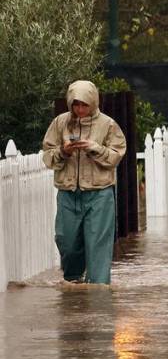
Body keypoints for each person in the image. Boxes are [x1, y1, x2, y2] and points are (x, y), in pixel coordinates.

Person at [41, 80, 127, 284]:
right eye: (76, 104)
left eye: (84, 105)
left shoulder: (108, 125)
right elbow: (47, 155)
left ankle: (98, 300)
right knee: (67, 242)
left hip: (100, 194)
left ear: (94, 103)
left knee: (98, 247)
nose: (80, 109)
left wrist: (94, 148)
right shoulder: (60, 123)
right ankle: (74, 287)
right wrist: (64, 151)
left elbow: (116, 155)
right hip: (68, 193)